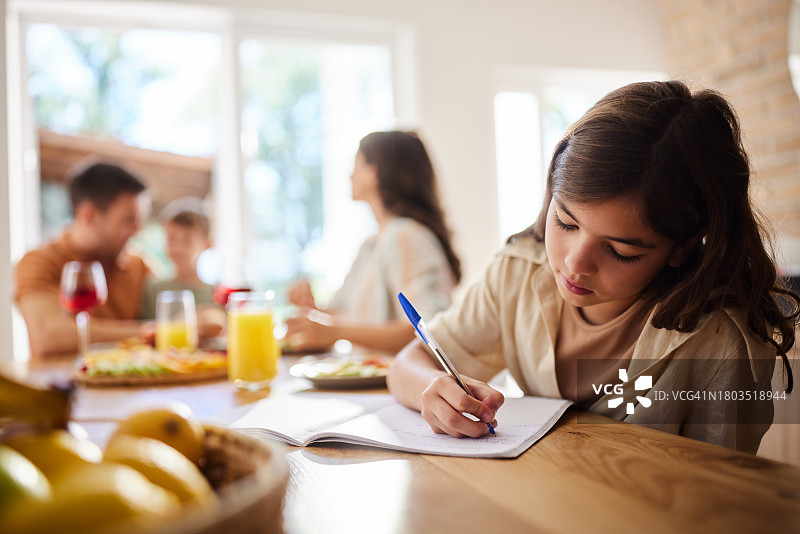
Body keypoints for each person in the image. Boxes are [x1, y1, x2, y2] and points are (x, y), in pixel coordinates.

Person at [387, 80, 800, 454]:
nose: (574, 263)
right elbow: (409, 363)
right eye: (566, 223)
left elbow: (722, 489)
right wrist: (434, 389)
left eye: (620, 251)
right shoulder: (517, 273)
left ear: (684, 246)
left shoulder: (720, 341)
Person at [285, 130, 461, 354]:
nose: (350, 176)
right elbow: (345, 315)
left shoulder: (406, 236)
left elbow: (425, 330)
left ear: (374, 173)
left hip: (395, 375)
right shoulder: (372, 243)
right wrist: (312, 311)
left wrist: (335, 332)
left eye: (357, 165)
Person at [14, 162, 152, 358]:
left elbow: (174, 312)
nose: (138, 229)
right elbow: (48, 336)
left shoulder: (138, 265)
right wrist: (149, 331)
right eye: (129, 219)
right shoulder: (40, 261)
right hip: (62, 378)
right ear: (89, 215)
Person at [140, 202, 216, 320]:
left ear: (207, 244)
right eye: (172, 239)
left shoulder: (215, 293)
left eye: (187, 241)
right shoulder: (153, 288)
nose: (177, 248)